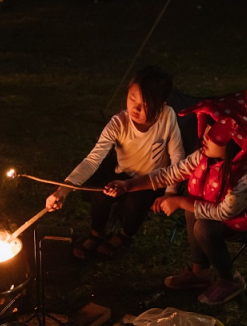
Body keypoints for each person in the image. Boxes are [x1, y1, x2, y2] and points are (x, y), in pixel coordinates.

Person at [105, 91, 247, 305]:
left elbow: (224, 212)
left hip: (246, 217)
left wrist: (179, 201)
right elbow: (170, 174)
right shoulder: (204, 155)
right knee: (192, 208)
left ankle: (230, 279)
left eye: (215, 134)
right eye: (207, 129)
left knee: (203, 226)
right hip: (220, 208)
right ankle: (200, 272)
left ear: (237, 141)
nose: (205, 137)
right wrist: (129, 185)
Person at [46, 66, 185, 259]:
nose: (135, 108)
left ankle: (124, 235)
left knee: (135, 202)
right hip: (124, 173)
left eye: (145, 105)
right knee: (100, 194)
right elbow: (92, 159)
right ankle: (96, 234)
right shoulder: (118, 123)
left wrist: (170, 193)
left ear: (161, 105)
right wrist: (62, 191)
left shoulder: (167, 116)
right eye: (132, 99)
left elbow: (177, 156)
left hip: (152, 179)